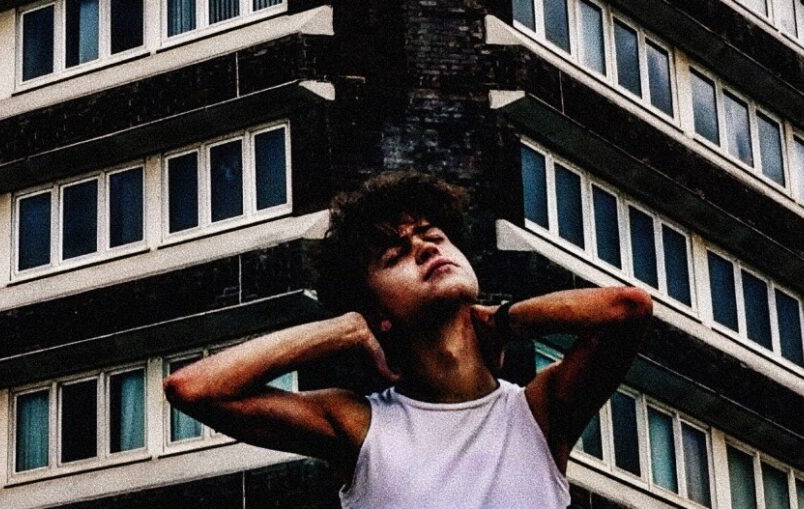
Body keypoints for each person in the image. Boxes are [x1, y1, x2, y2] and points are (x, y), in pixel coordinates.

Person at [163, 171, 653, 508]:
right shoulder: (359, 425)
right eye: (395, 255)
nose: (424, 247)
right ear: (378, 313)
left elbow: (627, 309)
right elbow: (193, 388)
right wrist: (345, 329)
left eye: (432, 235)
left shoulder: (538, 414)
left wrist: (506, 320)